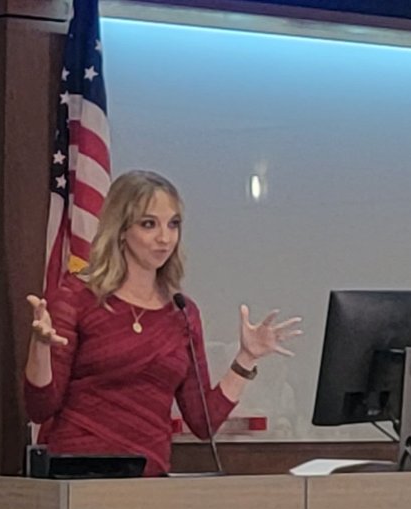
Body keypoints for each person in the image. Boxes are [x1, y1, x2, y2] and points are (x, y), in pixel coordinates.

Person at [24, 170, 300, 476]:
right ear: (121, 230)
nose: (164, 238)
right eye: (149, 224)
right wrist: (40, 348)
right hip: (79, 477)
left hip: (150, 481)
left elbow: (202, 422)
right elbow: (40, 407)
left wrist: (245, 359)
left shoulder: (181, 312)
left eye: (173, 224)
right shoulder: (77, 297)